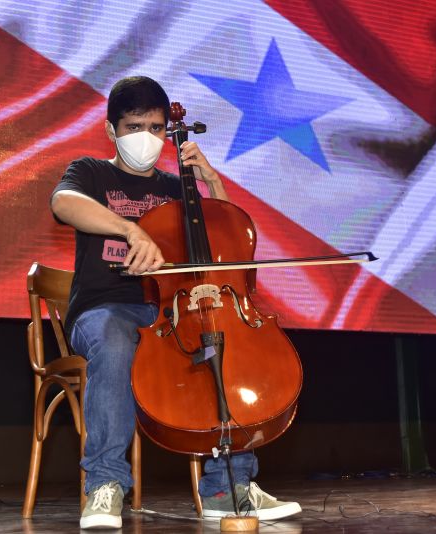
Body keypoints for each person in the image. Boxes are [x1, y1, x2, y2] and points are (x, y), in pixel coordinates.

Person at [50, 76, 301, 529]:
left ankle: (229, 488)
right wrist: (132, 229)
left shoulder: (176, 188)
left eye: (154, 127)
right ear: (111, 131)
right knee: (116, 341)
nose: (144, 137)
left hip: (169, 313)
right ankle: (104, 485)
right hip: (107, 309)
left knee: (219, 344)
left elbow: (230, 240)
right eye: (132, 127)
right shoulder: (90, 172)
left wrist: (210, 180)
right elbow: (64, 203)